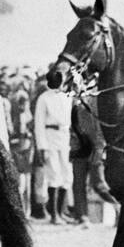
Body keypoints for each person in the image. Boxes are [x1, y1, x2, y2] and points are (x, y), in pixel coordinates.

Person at [34, 69, 73, 225]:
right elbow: (39, 125)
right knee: (54, 173)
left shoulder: (66, 97)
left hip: (64, 136)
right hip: (49, 136)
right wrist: (42, 147)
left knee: (66, 174)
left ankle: (62, 211)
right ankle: (54, 214)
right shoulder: (43, 98)